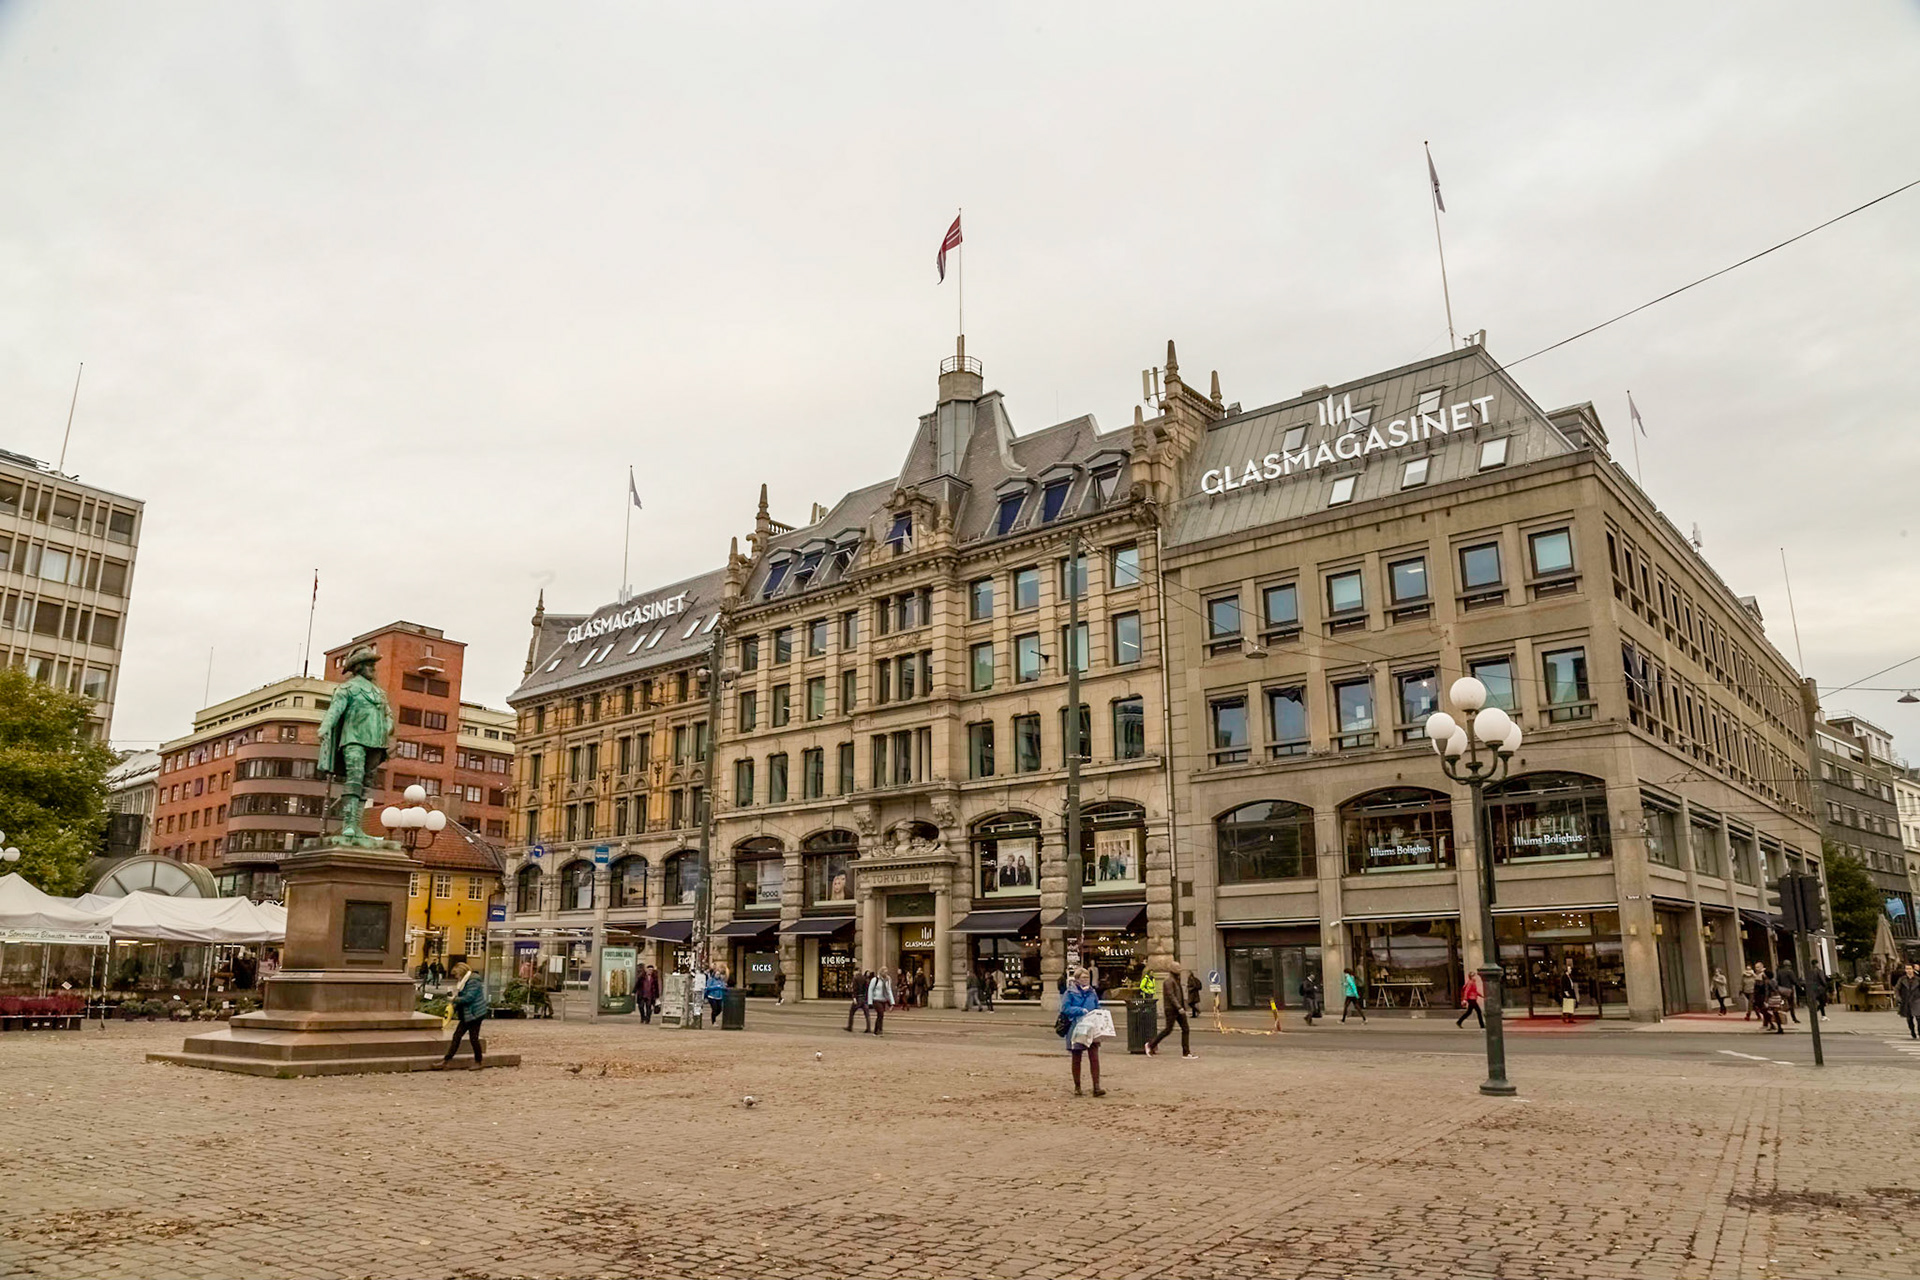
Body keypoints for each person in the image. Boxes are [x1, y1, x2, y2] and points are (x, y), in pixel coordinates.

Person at [1059, 967, 1113, 1096]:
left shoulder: (1092, 992)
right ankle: (1077, 1086)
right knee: (1076, 1057)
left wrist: (1100, 1013)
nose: (1086, 980)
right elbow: (1065, 1008)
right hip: (1076, 1027)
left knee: (1094, 1057)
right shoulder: (1070, 993)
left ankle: (1096, 1087)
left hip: (1091, 1027)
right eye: (1083, 978)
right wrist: (1079, 1010)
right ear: (1077, 979)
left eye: (1087, 977)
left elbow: (1096, 1005)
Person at [435, 961, 488, 1069]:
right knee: (458, 1036)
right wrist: (453, 1006)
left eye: (456, 974)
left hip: (475, 1014)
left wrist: (454, 999)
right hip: (469, 1013)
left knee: (472, 1038)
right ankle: (447, 1061)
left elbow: (469, 998)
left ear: (461, 973)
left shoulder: (472, 981)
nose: (456, 977)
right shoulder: (465, 981)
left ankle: (478, 1062)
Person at [1145, 964, 1196, 1059]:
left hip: (1178, 1008)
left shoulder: (1176, 980)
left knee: (1185, 1029)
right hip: (1171, 1009)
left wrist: (1183, 1007)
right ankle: (1150, 1045)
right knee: (1168, 1029)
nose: (1180, 972)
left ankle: (1186, 1052)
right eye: (1178, 970)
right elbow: (1171, 995)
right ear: (1174, 971)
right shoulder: (1169, 981)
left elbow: (1178, 995)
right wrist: (1179, 1007)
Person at [1895, 963, 1920, 1040]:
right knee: (1909, 1019)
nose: (1908, 970)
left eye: (1910, 969)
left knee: (1919, 1018)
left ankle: (1919, 1032)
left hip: (1916, 1000)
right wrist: (1898, 998)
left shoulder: (1918, 979)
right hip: (1906, 1000)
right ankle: (1912, 1031)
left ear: (1913, 969)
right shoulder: (1902, 979)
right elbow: (1897, 989)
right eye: (1907, 969)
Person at [867, 969, 896, 1036]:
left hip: (883, 1000)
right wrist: (870, 1002)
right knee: (880, 1013)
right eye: (884, 972)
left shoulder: (887, 980)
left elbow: (889, 990)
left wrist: (892, 1002)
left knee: (880, 1016)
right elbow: (870, 990)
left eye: (887, 972)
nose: (886, 974)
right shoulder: (875, 980)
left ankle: (877, 1030)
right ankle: (879, 1030)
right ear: (881, 972)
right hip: (876, 999)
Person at [846, 969, 872, 1033]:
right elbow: (867, 988)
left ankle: (850, 1027)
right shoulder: (864, 978)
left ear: (856, 972)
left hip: (858, 998)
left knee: (852, 1012)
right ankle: (868, 1028)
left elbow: (855, 988)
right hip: (864, 998)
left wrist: (854, 997)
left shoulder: (855, 978)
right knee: (867, 1014)